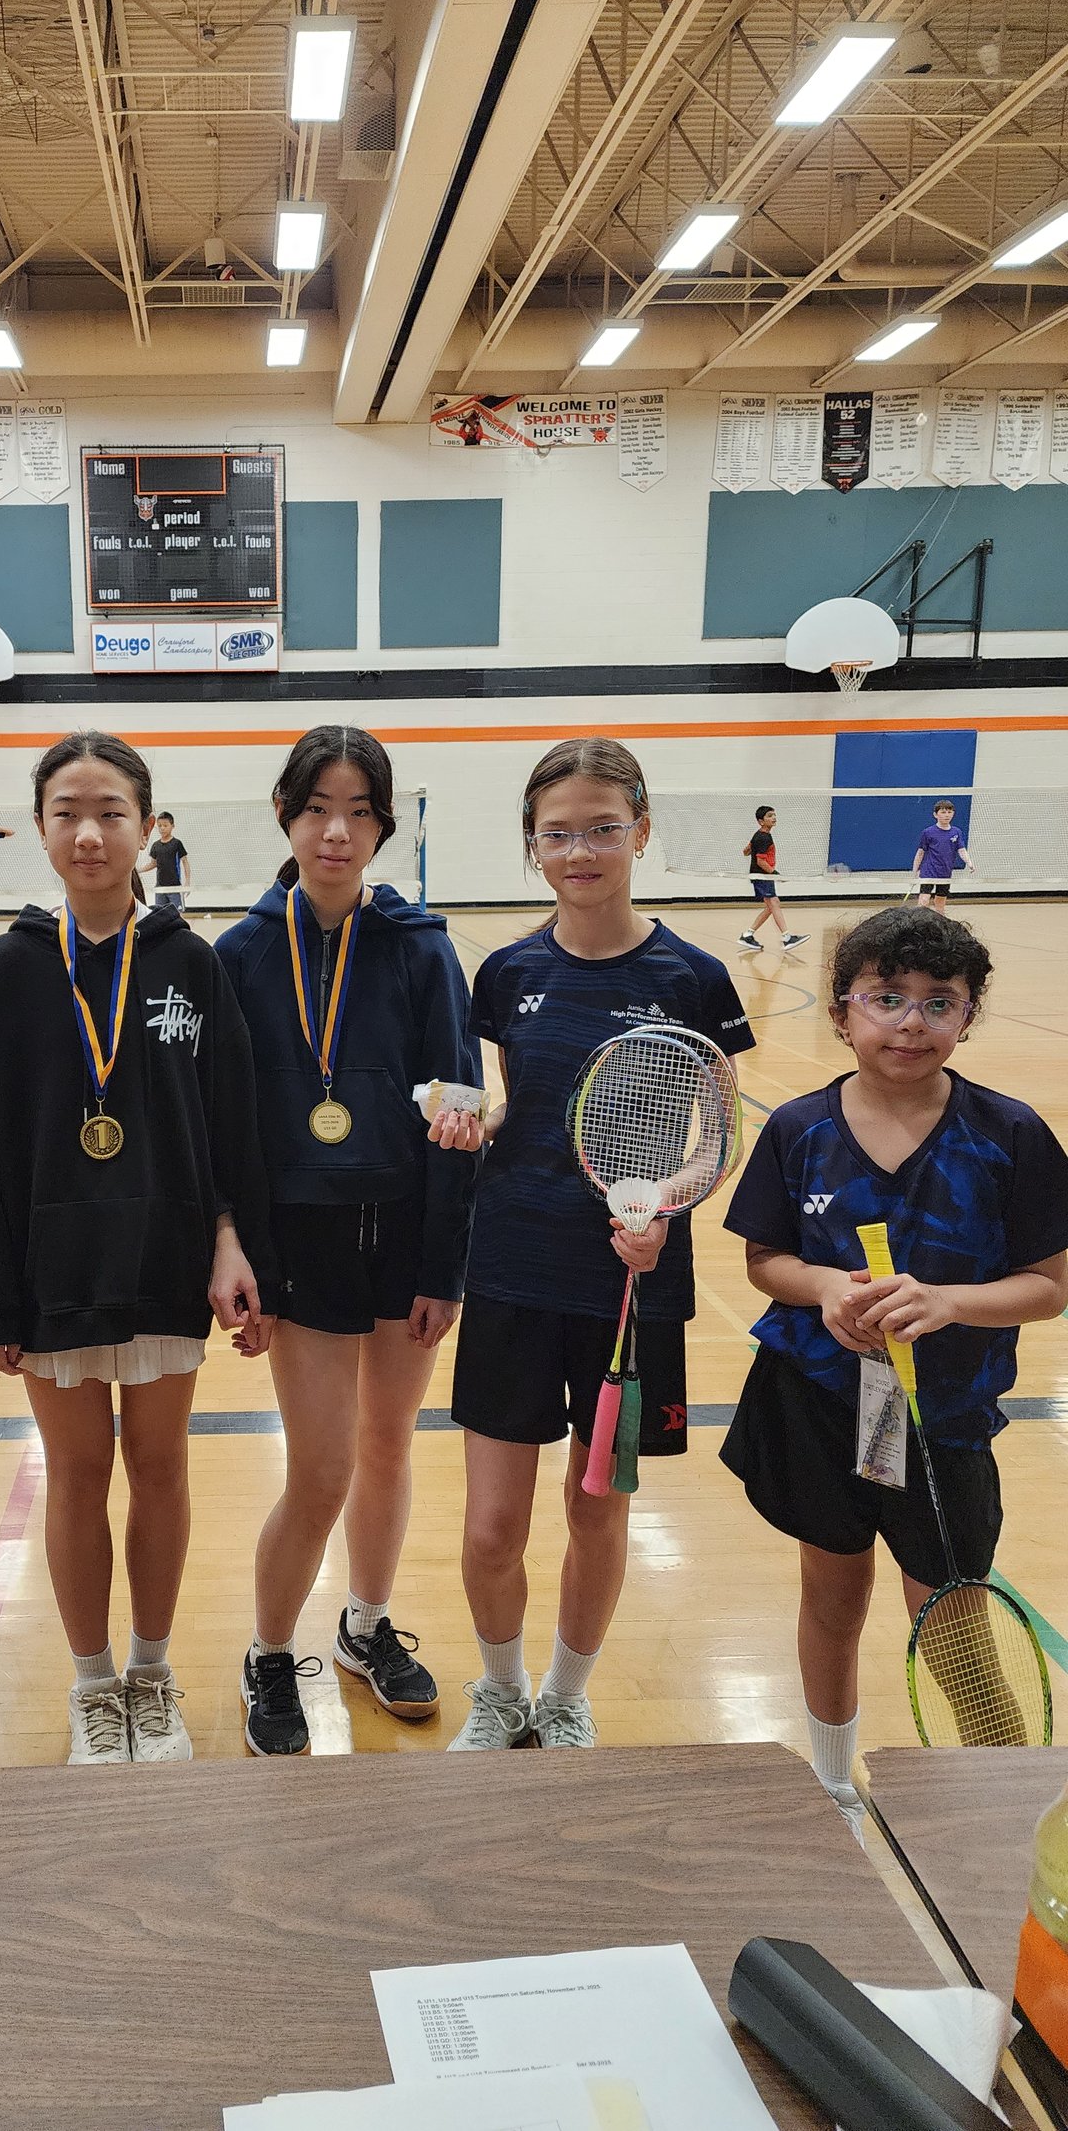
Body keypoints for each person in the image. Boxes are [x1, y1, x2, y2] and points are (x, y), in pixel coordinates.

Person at [0, 730, 277, 1766]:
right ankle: (93, 1683)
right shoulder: (7, 969)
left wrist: (230, 1242)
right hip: (50, 1266)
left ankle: (151, 1670)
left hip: (164, 1255)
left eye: (111, 812)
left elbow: (230, 1121)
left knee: (159, 1466)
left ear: (148, 827)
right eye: (67, 812)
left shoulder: (192, 962)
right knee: (75, 1472)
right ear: (39, 827)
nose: (89, 833)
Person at [721, 907, 1068, 1836]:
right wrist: (826, 1286)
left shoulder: (1010, 1134)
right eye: (886, 998)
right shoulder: (799, 1128)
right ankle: (831, 1779)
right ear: (843, 1012)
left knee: (952, 1619)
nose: (911, 1022)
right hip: (820, 1402)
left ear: (968, 1015)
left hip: (945, 1418)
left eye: (938, 1002)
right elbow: (765, 1259)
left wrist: (950, 1302)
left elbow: (1049, 1286)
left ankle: (1005, 1804)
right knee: (832, 1595)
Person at [448, 737, 755, 1751]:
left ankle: (566, 1697)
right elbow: (527, 1106)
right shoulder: (507, 973)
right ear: (532, 843)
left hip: (631, 1285)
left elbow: (714, 1133)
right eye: (558, 833)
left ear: (641, 831)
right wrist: (472, 1123)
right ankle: (501, 1692)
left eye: (602, 829)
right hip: (511, 1267)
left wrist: (664, 1202)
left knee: (596, 1512)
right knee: (492, 1525)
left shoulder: (694, 977)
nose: (579, 851)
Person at [216, 727, 483, 1757]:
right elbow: (224, 1127)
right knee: (322, 1469)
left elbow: (458, 1103)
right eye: (318, 808)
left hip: (403, 1235)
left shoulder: (420, 949)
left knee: (387, 1446)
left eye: (360, 811)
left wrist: (444, 1264)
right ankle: (269, 1651)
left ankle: (366, 1626)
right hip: (303, 1244)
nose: (337, 830)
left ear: (382, 824)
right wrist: (241, 1249)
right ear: (285, 814)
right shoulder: (241, 954)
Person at [738, 805, 808, 954]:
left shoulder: (758, 835)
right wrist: (775, 874)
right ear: (761, 821)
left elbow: (746, 851)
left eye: (774, 815)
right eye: (769, 816)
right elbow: (760, 861)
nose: (774, 818)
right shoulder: (764, 837)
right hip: (762, 876)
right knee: (774, 903)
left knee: (771, 906)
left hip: (760, 876)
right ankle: (787, 937)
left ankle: (748, 935)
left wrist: (753, 847)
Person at [912, 800, 971, 913]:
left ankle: (940, 921)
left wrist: (969, 863)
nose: (947, 815)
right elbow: (920, 852)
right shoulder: (928, 832)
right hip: (929, 871)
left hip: (945, 872)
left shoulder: (956, 832)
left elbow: (961, 850)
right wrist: (915, 871)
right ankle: (919, 921)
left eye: (949, 812)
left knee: (940, 902)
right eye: (943, 812)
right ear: (935, 815)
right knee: (924, 900)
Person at [140, 813, 191, 909]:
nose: (162, 828)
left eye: (165, 825)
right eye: (160, 826)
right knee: (160, 913)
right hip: (160, 888)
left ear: (172, 826)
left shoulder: (177, 843)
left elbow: (185, 862)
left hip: (175, 887)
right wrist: (138, 870)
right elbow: (153, 863)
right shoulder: (156, 845)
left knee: (176, 914)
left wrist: (187, 882)